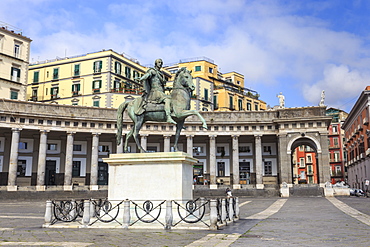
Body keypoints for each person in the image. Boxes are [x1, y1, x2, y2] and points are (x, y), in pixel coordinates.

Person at [135, 58, 176, 124]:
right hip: (154, 93)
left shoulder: (161, 74)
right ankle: (168, 117)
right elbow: (147, 75)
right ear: (156, 63)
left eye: (161, 63)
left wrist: (167, 88)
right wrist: (141, 78)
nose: (160, 64)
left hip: (160, 92)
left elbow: (160, 86)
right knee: (167, 100)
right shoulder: (153, 71)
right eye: (159, 62)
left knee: (172, 99)